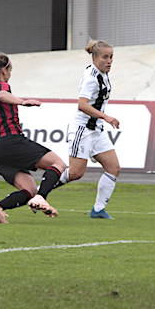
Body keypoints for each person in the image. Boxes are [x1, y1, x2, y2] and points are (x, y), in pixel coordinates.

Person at [0, 52, 66, 223]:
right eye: (10, 70)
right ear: (4, 70)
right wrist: (22, 101)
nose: (10, 74)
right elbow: (2, 95)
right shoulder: (1, 86)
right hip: (12, 141)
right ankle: (41, 197)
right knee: (58, 164)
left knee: (29, 190)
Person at [55, 39, 121, 219]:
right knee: (75, 173)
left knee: (113, 167)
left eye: (111, 57)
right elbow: (82, 105)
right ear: (94, 58)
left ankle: (98, 210)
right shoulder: (91, 79)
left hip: (96, 130)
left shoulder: (102, 73)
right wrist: (106, 117)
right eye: (105, 57)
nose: (109, 61)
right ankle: (37, 192)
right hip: (83, 130)